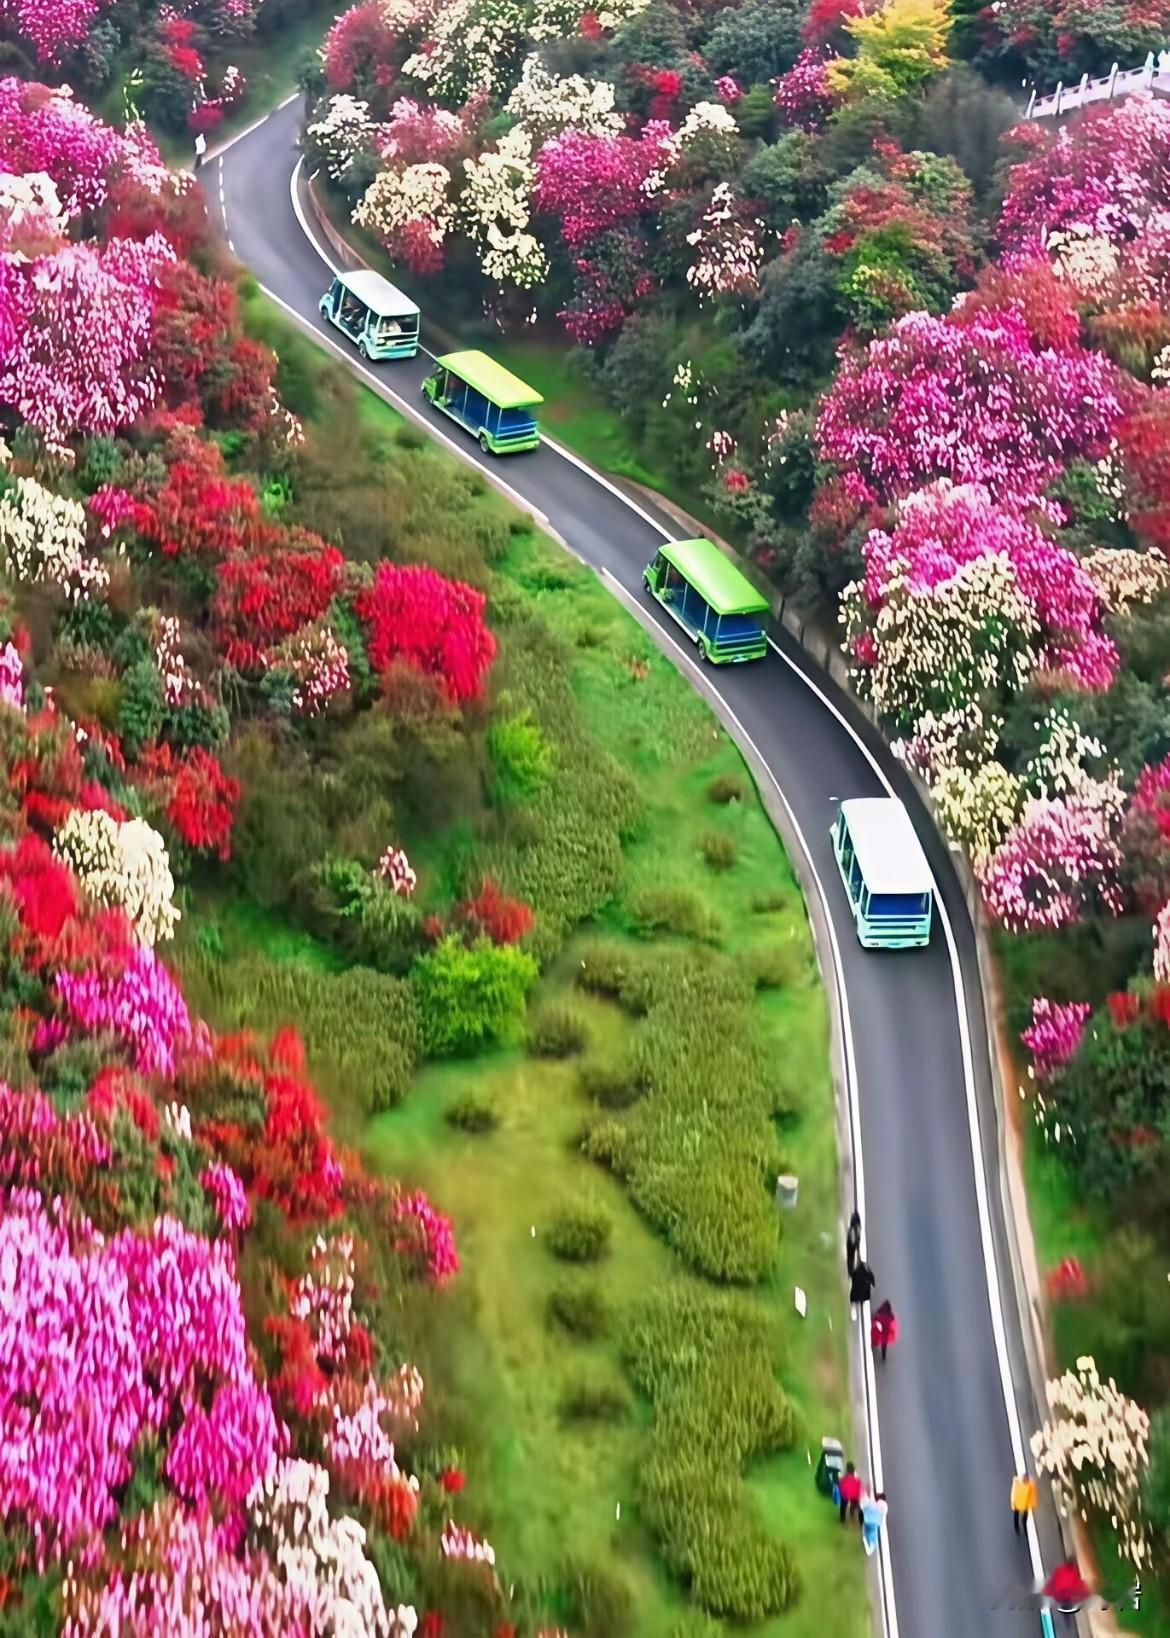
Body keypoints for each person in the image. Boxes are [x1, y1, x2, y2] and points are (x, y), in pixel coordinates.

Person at [1044, 1561, 1090, 1632]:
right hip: (1065, 1597)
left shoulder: (1062, 1569)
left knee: (1064, 1608)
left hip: (1058, 1594)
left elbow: (1055, 1577)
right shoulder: (1072, 1574)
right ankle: (1068, 1624)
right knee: (1066, 1609)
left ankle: (1067, 1622)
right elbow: (1076, 1586)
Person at [860, 1491, 888, 1556]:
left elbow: (865, 1505)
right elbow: (883, 1517)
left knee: (867, 1528)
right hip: (875, 1521)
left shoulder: (873, 1502)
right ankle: (869, 1545)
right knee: (872, 1534)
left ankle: (865, 1537)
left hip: (867, 1518)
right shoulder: (884, 1506)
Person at [1010, 1472, 1037, 1537]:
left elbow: (1033, 1495)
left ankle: (1025, 1530)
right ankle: (1017, 1528)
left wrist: (1032, 1505)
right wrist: (1013, 1502)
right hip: (1018, 1502)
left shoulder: (1031, 1484)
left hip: (1025, 1504)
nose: (1025, 1482)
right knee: (1016, 1516)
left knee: (1024, 1519)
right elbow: (1013, 1492)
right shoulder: (1017, 1481)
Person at [845, 1211, 862, 1278]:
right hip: (852, 1241)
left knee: (850, 1256)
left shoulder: (855, 1227)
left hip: (852, 1241)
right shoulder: (857, 1227)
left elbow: (856, 1234)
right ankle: (851, 1272)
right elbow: (857, 1235)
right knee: (851, 1256)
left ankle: (850, 1272)